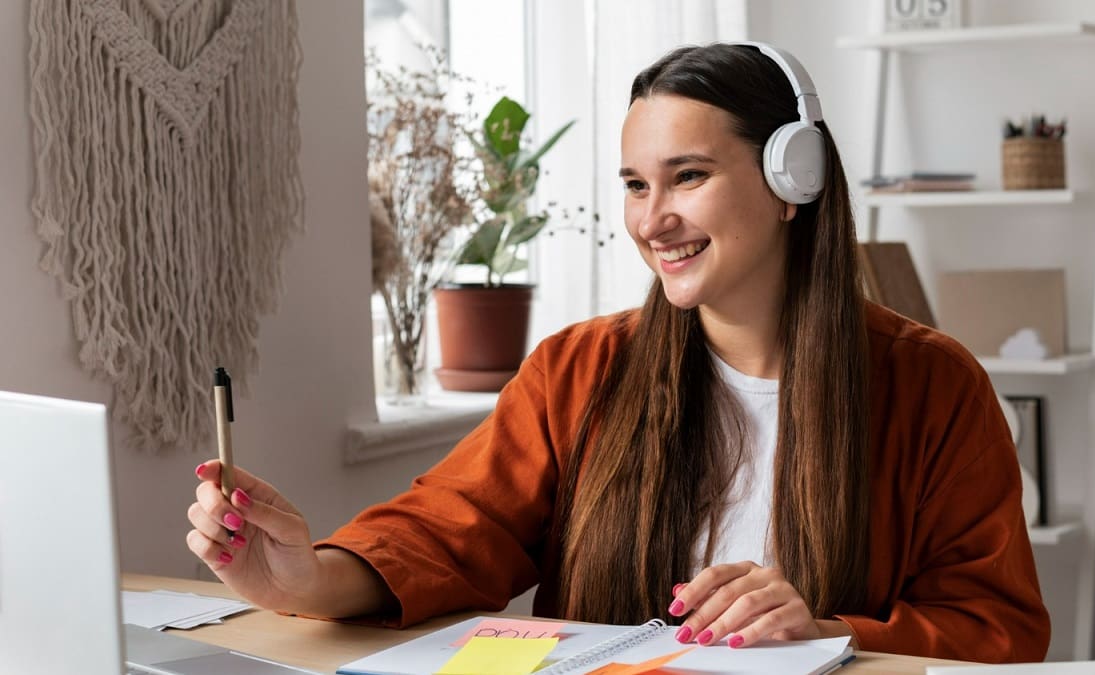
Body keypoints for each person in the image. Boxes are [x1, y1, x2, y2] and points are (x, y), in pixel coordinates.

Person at [187, 42, 1051, 662]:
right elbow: (449, 528)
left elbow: (998, 629)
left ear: (794, 182)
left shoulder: (935, 386)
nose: (651, 220)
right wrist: (303, 579)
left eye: (688, 177)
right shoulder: (579, 370)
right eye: (636, 185)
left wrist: (825, 632)